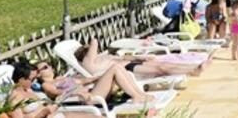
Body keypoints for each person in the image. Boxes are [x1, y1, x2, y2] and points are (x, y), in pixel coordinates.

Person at [33, 61, 156, 112]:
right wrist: (75, 92)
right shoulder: (46, 84)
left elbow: (84, 81)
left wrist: (100, 77)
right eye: (45, 67)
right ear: (38, 73)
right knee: (115, 68)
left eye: (49, 65)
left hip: (91, 91)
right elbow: (56, 94)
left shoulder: (61, 78)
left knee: (118, 67)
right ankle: (136, 96)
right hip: (86, 99)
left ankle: (139, 94)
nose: (50, 67)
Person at [74, 39, 206, 79]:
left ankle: (194, 68)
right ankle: (192, 70)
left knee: (164, 64)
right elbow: (95, 41)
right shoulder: (88, 63)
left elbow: (121, 57)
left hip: (130, 63)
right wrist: (87, 46)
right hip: (127, 69)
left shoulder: (100, 58)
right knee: (161, 69)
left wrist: (138, 57)